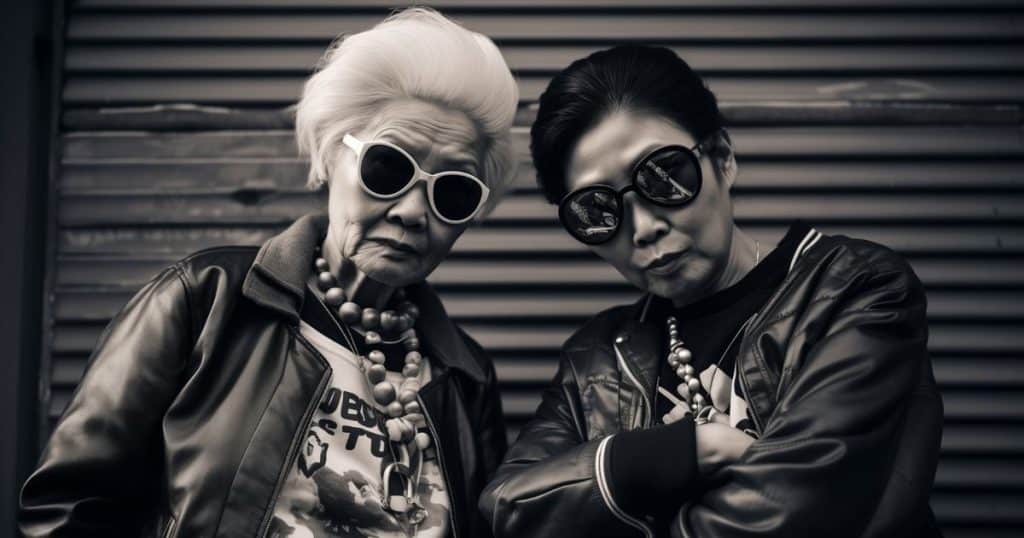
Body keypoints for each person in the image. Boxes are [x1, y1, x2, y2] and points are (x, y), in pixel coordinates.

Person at [20, 8, 518, 537]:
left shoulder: (466, 377)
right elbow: (67, 510)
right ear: (330, 157)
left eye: (453, 191)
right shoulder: (205, 300)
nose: (414, 212)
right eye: (388, 167)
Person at [480, 45, 943, 537]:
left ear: (723, 159)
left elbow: (794, 516)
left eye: (663, 176)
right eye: (597, 210)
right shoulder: (596, 360)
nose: (642, 228)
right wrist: (685, 451)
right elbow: (504, 510)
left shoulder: (853, 290)